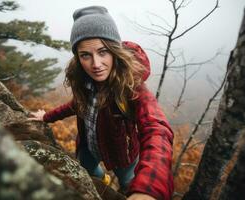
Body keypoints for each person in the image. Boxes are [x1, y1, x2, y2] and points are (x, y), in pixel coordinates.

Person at [29, 6, 174, 200]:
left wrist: (148, 189)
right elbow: (75, 105)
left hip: (124, 155)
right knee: (88, 173)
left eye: (103, 52)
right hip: (88, 146)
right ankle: (102, 181)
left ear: (115, 51)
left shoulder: (130, 87)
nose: (96, 64)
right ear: (78, 57)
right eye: (85, 55)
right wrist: (46, 117)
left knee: (127, 183)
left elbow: (157, 129)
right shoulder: (83, 80)